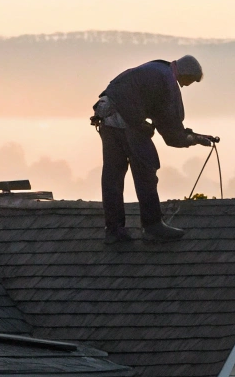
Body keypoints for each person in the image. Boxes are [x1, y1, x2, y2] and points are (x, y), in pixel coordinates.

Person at [91, 55, 218, 243]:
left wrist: (191, 135)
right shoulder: (167, 82)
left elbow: (165, 123)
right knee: (146, 169)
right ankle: (152, 226)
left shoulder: (156, 69)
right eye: (189, 81)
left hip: (105, 117)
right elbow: (171, 132)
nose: (186, 86)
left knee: (113, 175)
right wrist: (194, 139)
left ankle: (113, 230)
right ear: (185, 74)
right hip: (125, 120)